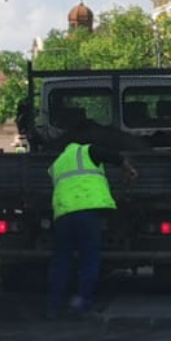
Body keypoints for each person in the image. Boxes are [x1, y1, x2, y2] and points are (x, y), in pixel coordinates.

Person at [46, 110, 123, 317]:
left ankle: (54, 305)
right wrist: (127, 166)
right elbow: (112, 155)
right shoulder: (88, 151)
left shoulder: (57, 163)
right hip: (87, 213)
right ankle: (82, 302)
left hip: (63, 215)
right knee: (89, 258)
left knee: (62, 259)